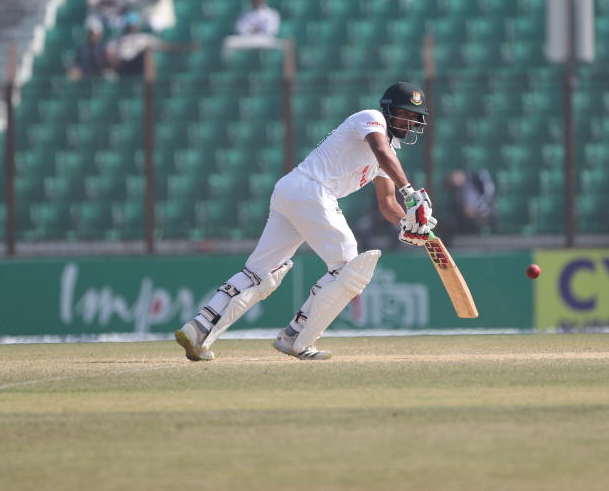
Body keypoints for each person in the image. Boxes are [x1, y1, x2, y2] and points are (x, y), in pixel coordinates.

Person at [175, 82, 436, 361]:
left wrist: (409, 221)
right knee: (349, 267)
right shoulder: (369, 118)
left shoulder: (389, 155)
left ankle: (198, 328)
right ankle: (296, 337)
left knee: (260, 272)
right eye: (403, 114)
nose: (408, 121)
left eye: (413, 116)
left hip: (294, 191)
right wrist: (411, 194)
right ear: (387, 109)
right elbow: (380, 151)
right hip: (311, 190)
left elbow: (387, 204)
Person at [106, 12, 173, 76]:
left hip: (138, 65)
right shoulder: (117, 39)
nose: (131, 28)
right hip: (122, 65)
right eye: (129, 26)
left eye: (133, 26)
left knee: (147, 53)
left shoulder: (144, 37)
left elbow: (163, 46)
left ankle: (149, 84)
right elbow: (109, 50)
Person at [442, 169, 496, 241]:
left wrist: (476, 209)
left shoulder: (478, 177)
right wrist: (465, 211)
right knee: (448, 221)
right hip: (468, 219)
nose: (456, 181)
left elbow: (489, 196)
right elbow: (459, 209)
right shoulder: (458, 193)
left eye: (455, 178)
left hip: (485, 214)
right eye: (453, 182)